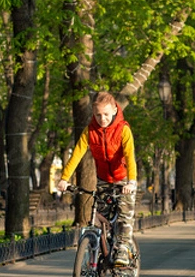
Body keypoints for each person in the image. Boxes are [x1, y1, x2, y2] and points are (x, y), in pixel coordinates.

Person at [57, 91, 137, 266]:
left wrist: (131, 182)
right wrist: (64, 178)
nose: (102, 119)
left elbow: (130, 157)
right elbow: (77, 154)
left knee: (124, 216)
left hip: (123, 180)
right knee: (100, 216)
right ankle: (103, 247)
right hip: (103, 180)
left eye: (106, 114)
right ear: (93, 113)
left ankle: (123, 248)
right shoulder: (89, 131)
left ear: (115, 110)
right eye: (98, 115)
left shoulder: (123, 130)